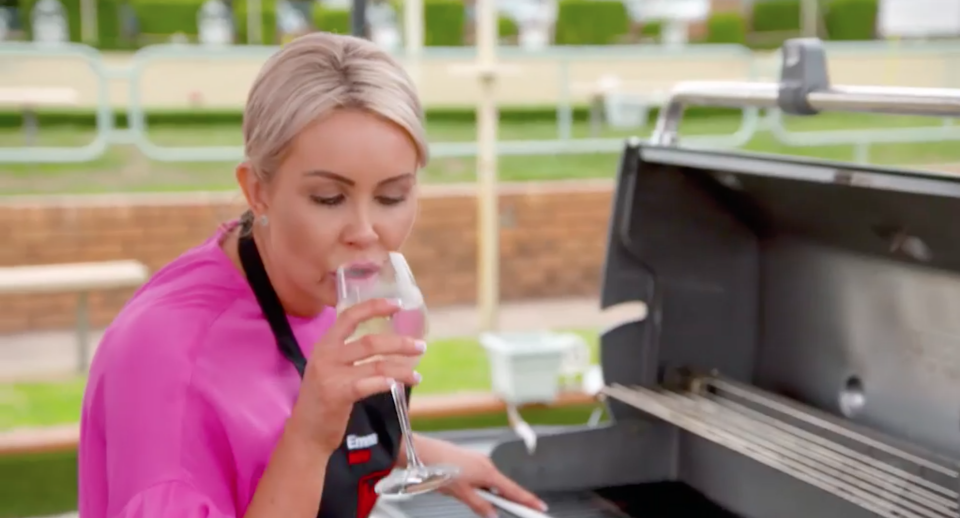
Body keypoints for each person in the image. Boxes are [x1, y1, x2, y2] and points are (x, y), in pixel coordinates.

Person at [77, 32, 548, 518]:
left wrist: (415, 454)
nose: (366, 233)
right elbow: (283, 430)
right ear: (257, 190)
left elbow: (263, 434)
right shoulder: (166, 361)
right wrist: (309, 437)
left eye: (391, 197)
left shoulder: (317, 287)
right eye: (328, 198)